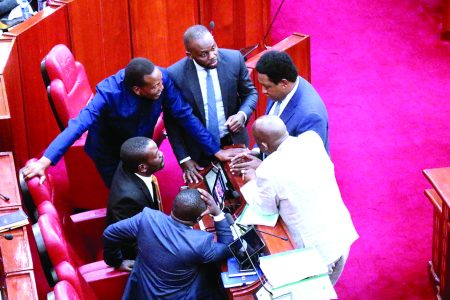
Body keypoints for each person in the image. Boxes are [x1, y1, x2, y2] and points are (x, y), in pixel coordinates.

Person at [22, 57, 235, 187]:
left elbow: (184, 114)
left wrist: (215, 149)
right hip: (110, 153)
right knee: (125, 196)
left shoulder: (160, 78)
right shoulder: (108, 93)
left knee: (144, 190)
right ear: (137, 89)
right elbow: (78, 125)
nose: (161, 89)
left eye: (160, 83)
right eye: (154, 87)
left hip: (139, 145)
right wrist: (45, 161)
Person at [240, 116, 358, 285]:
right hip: (340, 235)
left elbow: (266, 209)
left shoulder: (268, 170)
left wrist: (252, 181)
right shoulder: (312, 140)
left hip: (316, 253)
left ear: (264, 145)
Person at [166, 24, 257, 183]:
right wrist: (184, 159)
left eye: (213, 48)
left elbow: (250, 93)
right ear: (190, 55)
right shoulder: (175, 74)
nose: (213, 55)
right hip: (197, 149)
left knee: (243, 193)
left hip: (234, 142)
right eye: (204, 54)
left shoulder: (234, 59)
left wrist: (242, 115)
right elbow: (172, 120)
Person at [103, 188, 233, 299]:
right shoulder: (200, 243)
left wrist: (116, 262)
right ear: (199, 218)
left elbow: (109, 233)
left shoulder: (147, 218)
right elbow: (228, 247)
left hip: (141, 292)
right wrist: (217, 213)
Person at [255, 50, 329, 153]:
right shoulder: (281, 89)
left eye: (267, 87)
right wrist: (255, 152)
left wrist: (262, 166)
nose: (263, 91)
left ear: (284, 83)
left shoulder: (311, 116)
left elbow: (308, 162)